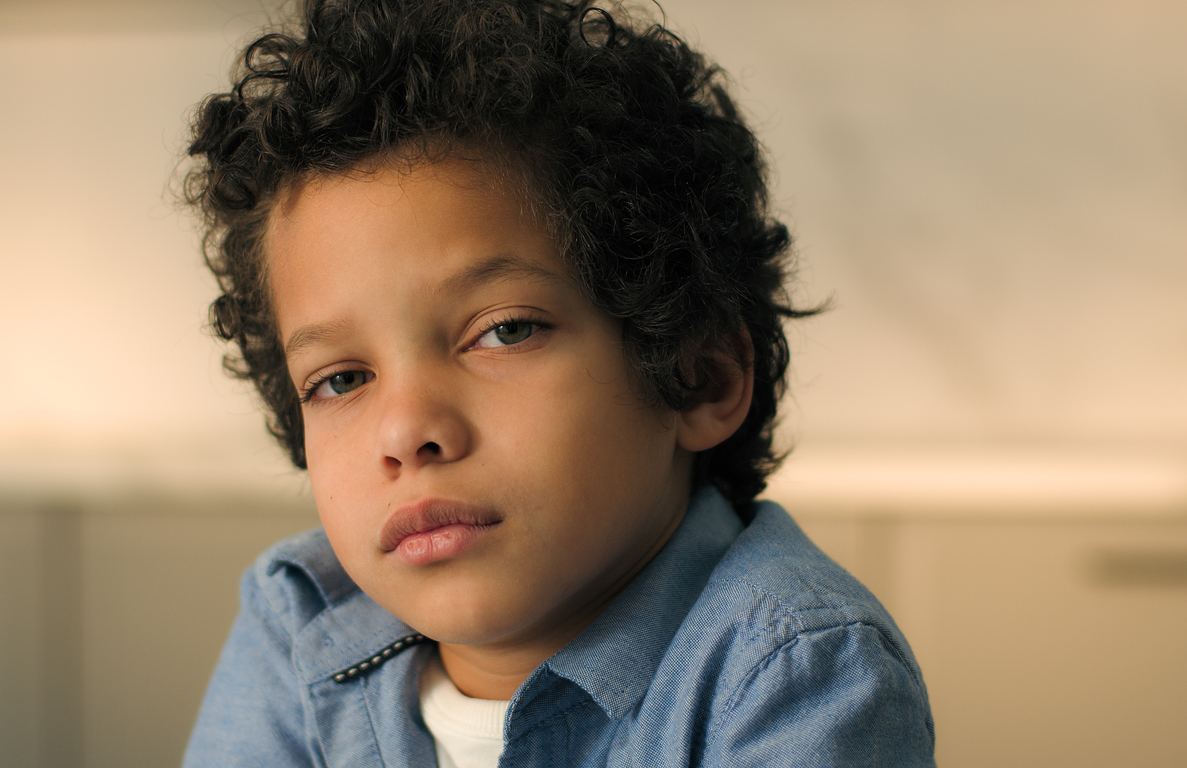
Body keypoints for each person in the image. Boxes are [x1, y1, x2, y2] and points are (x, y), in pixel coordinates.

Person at [180, 0, 935, 765]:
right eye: (341, 379)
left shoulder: (793, 671)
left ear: (697, 375)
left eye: (504, 331)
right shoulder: (301, 621)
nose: (406, 430)